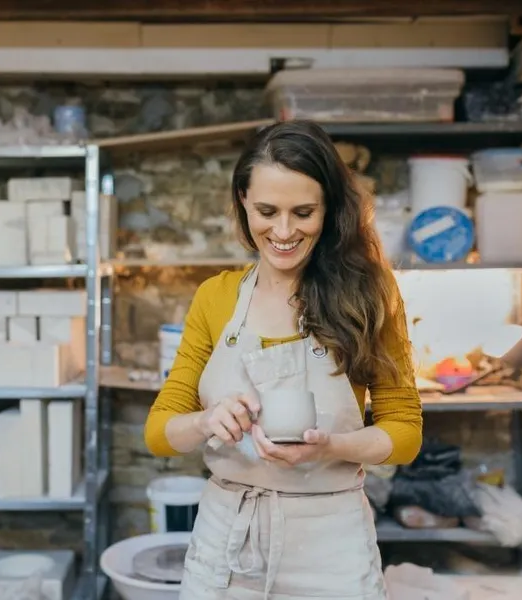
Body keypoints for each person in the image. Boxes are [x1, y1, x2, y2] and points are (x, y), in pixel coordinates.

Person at [144, 119, 423, 599]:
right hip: (227, 540)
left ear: (330, 209)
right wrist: (208, 420)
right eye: (267, 211)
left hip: (331, 545)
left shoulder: (368, 295)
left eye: (304, 212)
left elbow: (405, 432)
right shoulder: (216, 298)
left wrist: (331, 446)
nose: (284, 231)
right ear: (242, 202)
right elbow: (159, 432)